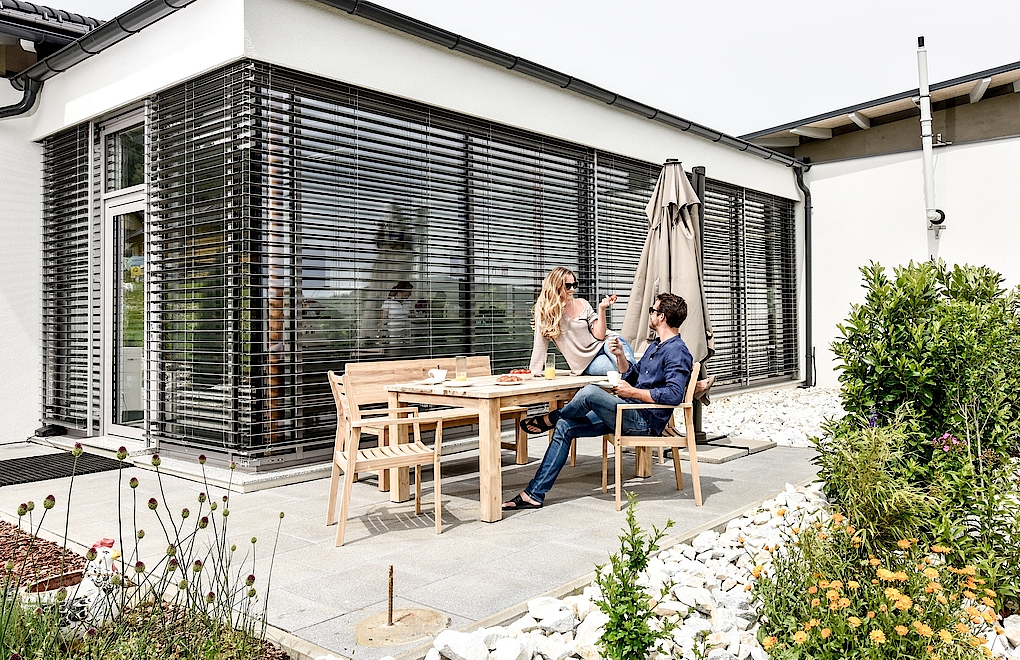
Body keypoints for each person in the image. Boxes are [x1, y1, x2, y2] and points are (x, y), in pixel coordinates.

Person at [504, 292, 693, 510]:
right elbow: (632, 376)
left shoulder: (677, 351)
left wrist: (632, 393)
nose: (649, 314)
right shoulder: (656, 346)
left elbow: (673, 395)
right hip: (627, 412)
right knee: (566, 426)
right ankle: (534, 494)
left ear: (662, 317)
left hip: (645, 421)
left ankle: (551, 418)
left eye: (653, 310)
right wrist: (621, 356)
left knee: (591, 392)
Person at [527, 267, 636, 380]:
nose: (572, 289)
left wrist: (602, 309)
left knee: (629, 368)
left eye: (575, 285)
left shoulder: (583, 304)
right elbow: (540, 346)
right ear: (556, 286)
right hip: (587, 363)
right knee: (624, 370)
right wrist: (533, 374)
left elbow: (600, 335)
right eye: (568, 286)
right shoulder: (547, 313)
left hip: (607, 343)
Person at [380, 281, 413, 353]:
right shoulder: (388, 302)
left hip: (405, 334)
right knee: (395, 353)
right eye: (409, 291)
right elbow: (383, 320)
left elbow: (412, 316)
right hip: (393, 335)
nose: (410, 294)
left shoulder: (408, 302)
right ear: (402, 291)